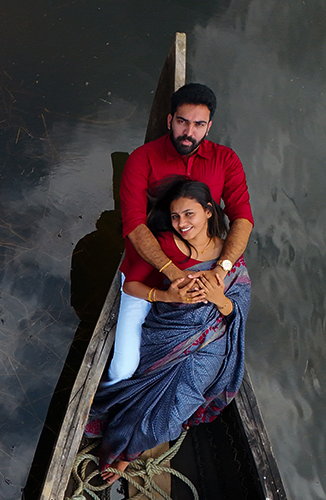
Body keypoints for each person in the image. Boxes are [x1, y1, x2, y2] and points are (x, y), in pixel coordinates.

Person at [85, 178, 251, 483]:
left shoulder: (229, 258)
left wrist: (219, 299)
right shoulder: (164, 246)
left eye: (190, 214)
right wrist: (168, 295)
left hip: (212, 345)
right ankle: (122, 444)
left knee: (172, 415)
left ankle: (128, 451)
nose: (182, 223)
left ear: (209, 212)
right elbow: (133, 285)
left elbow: (237, 311)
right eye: (175, 216)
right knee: (136, 384)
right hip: (167, 333)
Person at [106, 83, 254, 385]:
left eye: (199, 124)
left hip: (206, 266)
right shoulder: (142, 158)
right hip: (148, 268)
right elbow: (134, 225)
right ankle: (111, 398)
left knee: (207, 357)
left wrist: (220, 270)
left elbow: (242, 217)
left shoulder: (226, 160)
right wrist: (172, 274)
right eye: (182, 122)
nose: (189, 132)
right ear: (169, 120)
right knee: (123, 370)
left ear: (209, 126)